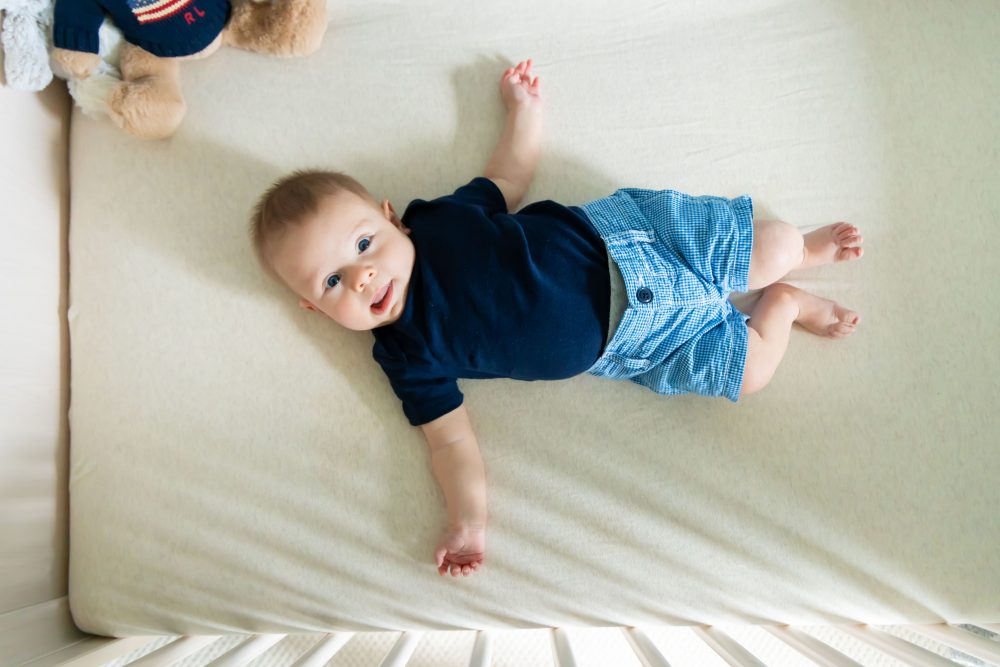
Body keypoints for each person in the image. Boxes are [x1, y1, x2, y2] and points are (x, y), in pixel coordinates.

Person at [250, 59, 864, 578]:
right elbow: (450, 440)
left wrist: (524, 112)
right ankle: (785, 306)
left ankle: (804, 256)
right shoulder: (406, 355)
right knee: (751, 371)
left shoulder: (439, 221)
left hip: (633, 240)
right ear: (315, 308)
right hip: (639, 344)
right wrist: (468, 522)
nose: (361, 277)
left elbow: (506, 178)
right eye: (332, 283)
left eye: (363, 246)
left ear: (391, 218)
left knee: (774, 245)